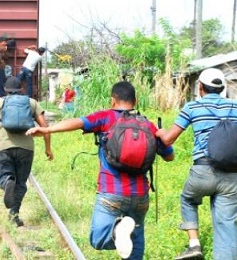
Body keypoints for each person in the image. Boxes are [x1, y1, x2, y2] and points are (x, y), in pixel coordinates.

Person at [26, 81, 174, 259]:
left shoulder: (106, 117)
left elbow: (77, 122)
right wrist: (161, 134)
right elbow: (169, 156)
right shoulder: (148, 125)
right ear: (135, 101)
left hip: (112, 192)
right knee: (135, 242)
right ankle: (123, 232)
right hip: (140, 195)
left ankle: (118, 230)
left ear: (113, 100)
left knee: (98, 238)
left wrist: (46, 129)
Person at [156, 68, 237, 260]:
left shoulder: (192, 107)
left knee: (188, 200)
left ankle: (194, 245)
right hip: (231, 175)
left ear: (200, 87)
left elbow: (168, 140)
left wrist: (159, 132)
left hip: (202, 171)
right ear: (222, 88)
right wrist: (234, 133)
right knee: (226, 223)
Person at [0, 76, 53, 227]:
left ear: (6, 90)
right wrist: (48, 149)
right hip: (26, 148)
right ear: (21, 89)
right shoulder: (31, 103)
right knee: (20, 183)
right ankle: (14, 215)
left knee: (4, 177)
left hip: (5, 147)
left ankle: (7, 182)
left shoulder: (0, 102)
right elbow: (45, 127)